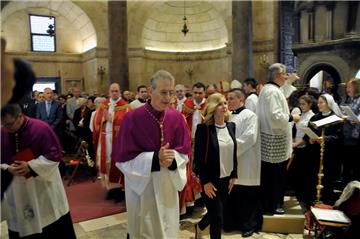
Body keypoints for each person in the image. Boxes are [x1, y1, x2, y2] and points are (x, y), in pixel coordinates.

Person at [113, 70, 191, 238]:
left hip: (167, 185)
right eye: (163, 92)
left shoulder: (177, 117)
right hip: (143, 186)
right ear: (150, 91)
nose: (168, 97)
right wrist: (155, 158)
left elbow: (184, 153)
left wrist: (172, 161)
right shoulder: (132, 118)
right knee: (144, 228)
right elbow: (122, 159)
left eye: (170, 93)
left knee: (167, 226)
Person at [1, 104, 76, 238]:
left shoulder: (41, 129)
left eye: (9, 124)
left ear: (19, 117)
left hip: (42, 190)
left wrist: (30, 166)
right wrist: (7, 168)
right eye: (3, 124)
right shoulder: (3, 132)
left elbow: (55, 157)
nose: (6, 128)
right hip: (17, 190)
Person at [257, 63, 300, 215]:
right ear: (276, 75)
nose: (286, 76)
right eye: (284, 74)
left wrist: (290, 82)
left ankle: (268, 203)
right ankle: (274, 205)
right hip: (275, 140)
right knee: (277, 176)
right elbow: (275, 116)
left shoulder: (268, 90)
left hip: (270, 138)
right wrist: (292, 117)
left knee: (270, 175)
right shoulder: (272, 92)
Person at [194, 93, 237, 239]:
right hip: (210, 181)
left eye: (225, 103)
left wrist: (234, 175)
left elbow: (233, 152)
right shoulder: (203, 129)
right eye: (220, 104)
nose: (224, 106)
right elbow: (199, 159)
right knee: (218, 217)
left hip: (226, 179)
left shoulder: (231, 126)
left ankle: (199, 226)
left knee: (216, 213)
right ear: (212, 107)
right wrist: (205, 182)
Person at [224, 88, 262, 237]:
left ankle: (248, 225)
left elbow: (249, 138)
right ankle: (231, 223)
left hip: (246, 162)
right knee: (233, 195)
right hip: (231, 162)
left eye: (232, 98)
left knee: (246, 197)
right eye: (228, 99)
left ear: (241, 100)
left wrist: (228, 148)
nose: (229, 102)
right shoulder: (229, 117)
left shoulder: (250, 116)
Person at [303, 94, 343, 206]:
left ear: (328, 103)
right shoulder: (315, 118)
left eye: (322, 102)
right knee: (313, 176)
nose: (319, 104)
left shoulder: (336, 119)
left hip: (330, 154)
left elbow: (339, 136)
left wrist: (325, 139)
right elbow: (308, 133)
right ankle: (312, 199)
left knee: (327, 177)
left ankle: (326, 200)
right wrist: (310, 139)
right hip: (315, 152)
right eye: (318, 102)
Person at [92, 83, 129, 202]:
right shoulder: (103, 105)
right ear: (109, 92)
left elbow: (127, 123)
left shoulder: (125, 106)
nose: (114, 93)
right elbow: (96, 120)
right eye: (112, 91)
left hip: (117, 141)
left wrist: (111, 118)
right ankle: (110, 188)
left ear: (120, 92)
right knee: (106, 162)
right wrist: (103, 118)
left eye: (116, 91)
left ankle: (119, 190)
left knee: (116, 163)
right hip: (104, 139)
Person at [289, 95, 315, 211]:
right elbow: (295, 130)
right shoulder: (300, 115)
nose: (301, 106)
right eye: (300, 104)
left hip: (306, 149)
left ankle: (304, 199)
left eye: (304, 104)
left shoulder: (312, 117)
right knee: (297, 174)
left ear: (310, 104)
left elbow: (307, 135)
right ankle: (298, 196)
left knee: (305, 175)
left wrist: (295, 144)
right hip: (297, 147)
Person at [342, 78, 360, 184]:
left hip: (356, 138)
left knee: (356, 167)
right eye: (346, 87)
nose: (347, 89)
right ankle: (346, 190)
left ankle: (354, 192)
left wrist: (353, 119)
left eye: (349, 87)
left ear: (356, 87)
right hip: (348, 138)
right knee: (347, 166)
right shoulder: (350, 100)